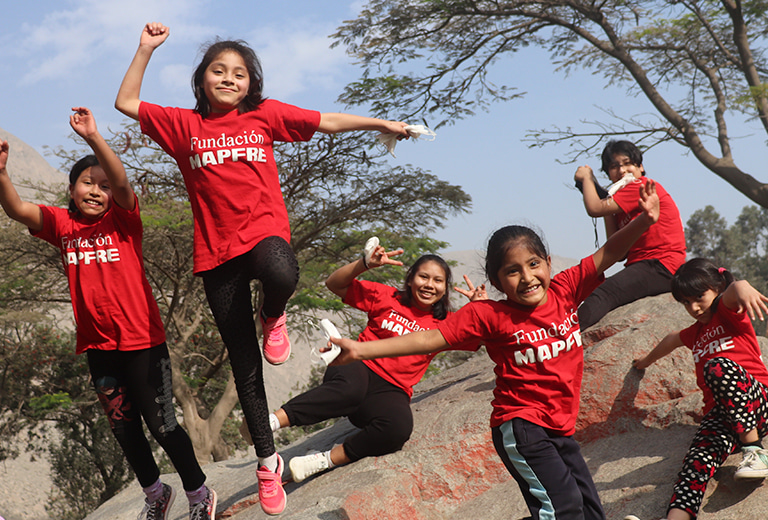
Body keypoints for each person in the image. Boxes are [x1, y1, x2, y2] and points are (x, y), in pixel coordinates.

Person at [114, 22, 410, 515]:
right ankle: (267, 462)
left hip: (263, 233)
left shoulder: (264, 116)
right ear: (201, 79)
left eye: (241, 73)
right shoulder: (184, 126)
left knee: (281, 271)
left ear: (252, 83)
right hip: (216, 255)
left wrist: (379, 123)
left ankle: (273, 314)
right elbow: (126, 103)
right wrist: (145, 49)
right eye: (219, 70)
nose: (230, 79)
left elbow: (327, 121)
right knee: (246, 367)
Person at [328, 181, 661, 520]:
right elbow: (429, 339)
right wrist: (360, 350)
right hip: (523, 427)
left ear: (547, 262)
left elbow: (610, 254)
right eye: (512, 271)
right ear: (498, 282)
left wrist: (644, 222)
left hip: (560, 428)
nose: (527, 277)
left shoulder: (565, 289)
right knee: (564, 511)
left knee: (591, 514)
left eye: (533, 264)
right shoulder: (490, 316)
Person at [0, 108, 216, 520]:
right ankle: (156, 494)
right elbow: (17, 210)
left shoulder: (123, 221)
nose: (96, 191)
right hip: (98, 346)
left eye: (102, 185)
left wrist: (94, 138)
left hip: (143, 343)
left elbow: (120, 182)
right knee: (123, 428)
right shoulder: (62, 225)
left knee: (163, 426)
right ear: (71, 189)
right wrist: (1, 174)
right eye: (87, 183)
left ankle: (199, 494)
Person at [264, 242, 485, 483]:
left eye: (438, 280)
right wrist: (364, 263)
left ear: (445, 289)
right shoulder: (386, 297)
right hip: (355, 367)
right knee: (351, 390)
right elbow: (334, 284)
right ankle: (269, 424)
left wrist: (479, 310)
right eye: (423, 277)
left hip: (391, 390)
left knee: (398, 428)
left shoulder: (446, 324)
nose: (429, 285)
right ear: (410, 279)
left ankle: (323, 459)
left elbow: (483, 339)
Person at [626, 259, 768, 520]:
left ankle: (755, 450)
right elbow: (670, 340)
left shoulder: (726, 313)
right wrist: (643, 363)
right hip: (723, 417)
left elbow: (734, 293)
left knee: (716, 367)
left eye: (699, 297)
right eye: (685, 302)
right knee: (696, 461)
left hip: (758, 400)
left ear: (717, 289)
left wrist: (742, 285)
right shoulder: (696, 333)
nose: (693, 307)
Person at [574, 140, 686, 330]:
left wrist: (585, 179)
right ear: (609, 174)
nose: (622, 170)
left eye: (627, 163)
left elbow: (594, 208)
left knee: (603, 295)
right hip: (644, 265)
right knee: (593, 292)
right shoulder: (620, 201)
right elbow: (619, 251)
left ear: (640, 167)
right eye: (614, 166)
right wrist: (606, 202)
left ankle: (566, 342)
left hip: (660, 264)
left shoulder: (640, 185)